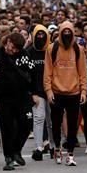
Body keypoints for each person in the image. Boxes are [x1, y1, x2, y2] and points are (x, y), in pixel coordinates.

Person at [0, 31, 35, 171]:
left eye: (14, 49)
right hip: (4, 97)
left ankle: (16, 150)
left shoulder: (24, 55)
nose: (11, 50)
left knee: (26, 125)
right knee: (7, 127)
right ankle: (8, 157)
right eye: (10, 46)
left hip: (22, 96)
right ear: (7, 42)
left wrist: (34, 93)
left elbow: (31, 74)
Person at [43, 20, 87, 166]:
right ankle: (57, 148)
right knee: (55, 123)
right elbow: (47, 72)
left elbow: (82, 72)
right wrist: (48, 91)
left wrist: (83, 91)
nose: (67, 34)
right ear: (60, 33)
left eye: (69, 32)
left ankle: (71, 154)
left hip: (74, 92)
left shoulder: (78, 49)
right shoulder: (52, 48)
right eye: (64, 32)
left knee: (73, 124)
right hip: (56, 92)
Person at [27, 24, 53, 161]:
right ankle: (38, 148)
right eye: (38, 34)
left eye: (43, 34)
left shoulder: (51, 50)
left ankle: (54, 146)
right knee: (38, 119)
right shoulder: (29, 52)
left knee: (51, 120)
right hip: (37, 92)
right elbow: (26, 74)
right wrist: (32, 93)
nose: (41, 37)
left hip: (52, 91)